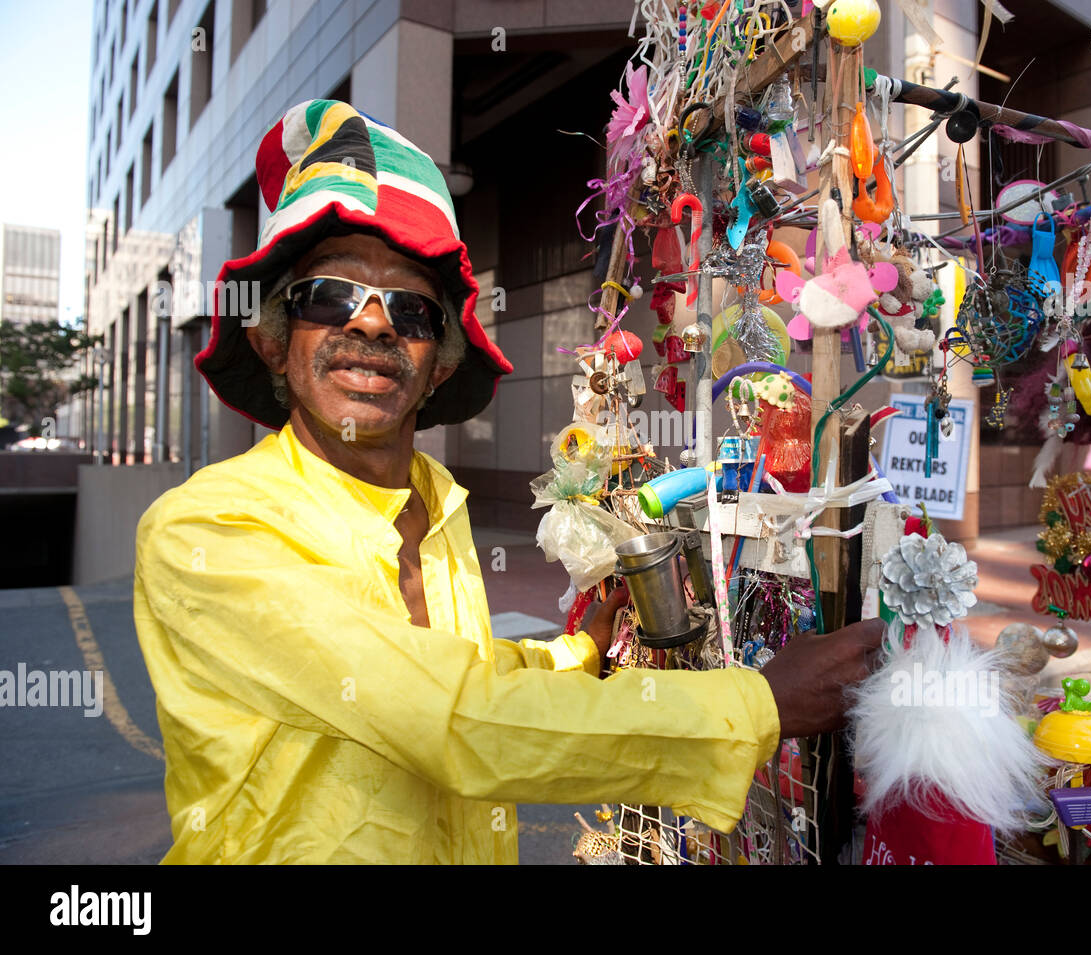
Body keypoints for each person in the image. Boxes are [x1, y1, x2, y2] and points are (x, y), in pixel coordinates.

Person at [133, 100, 881, 864]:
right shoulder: (208, 532)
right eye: (330, 297)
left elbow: (467, 670)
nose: (372, 325)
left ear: (442, 359)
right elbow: (455, 719)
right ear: (273, 340)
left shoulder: (435, 500)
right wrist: (756, 705)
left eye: (410, 309)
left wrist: (578, 651)